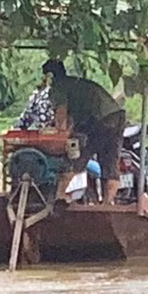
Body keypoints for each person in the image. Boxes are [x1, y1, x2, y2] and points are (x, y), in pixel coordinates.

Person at [43, 59, 126, 203]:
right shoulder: (75, 83)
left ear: (50, 76)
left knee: (77, 157)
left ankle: (58, 198)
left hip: (101, 120)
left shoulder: (59, 86)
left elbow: (61, 114)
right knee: (110, 163)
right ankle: (107, 204)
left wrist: (58, 135)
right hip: (117, 117)